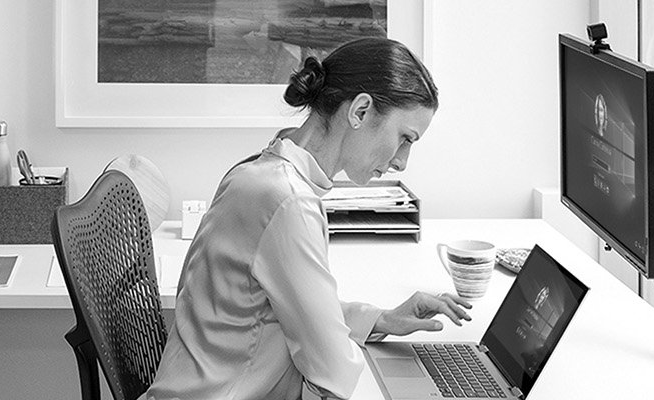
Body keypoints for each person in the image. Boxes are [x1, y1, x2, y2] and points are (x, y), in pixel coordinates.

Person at [139, 38, 472, 400]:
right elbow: (333, 370)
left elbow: (281, 310)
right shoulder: (288, 201)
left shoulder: (260, 172)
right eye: (405, 138)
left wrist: (382, 320)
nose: (402, 161)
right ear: (360, 111)